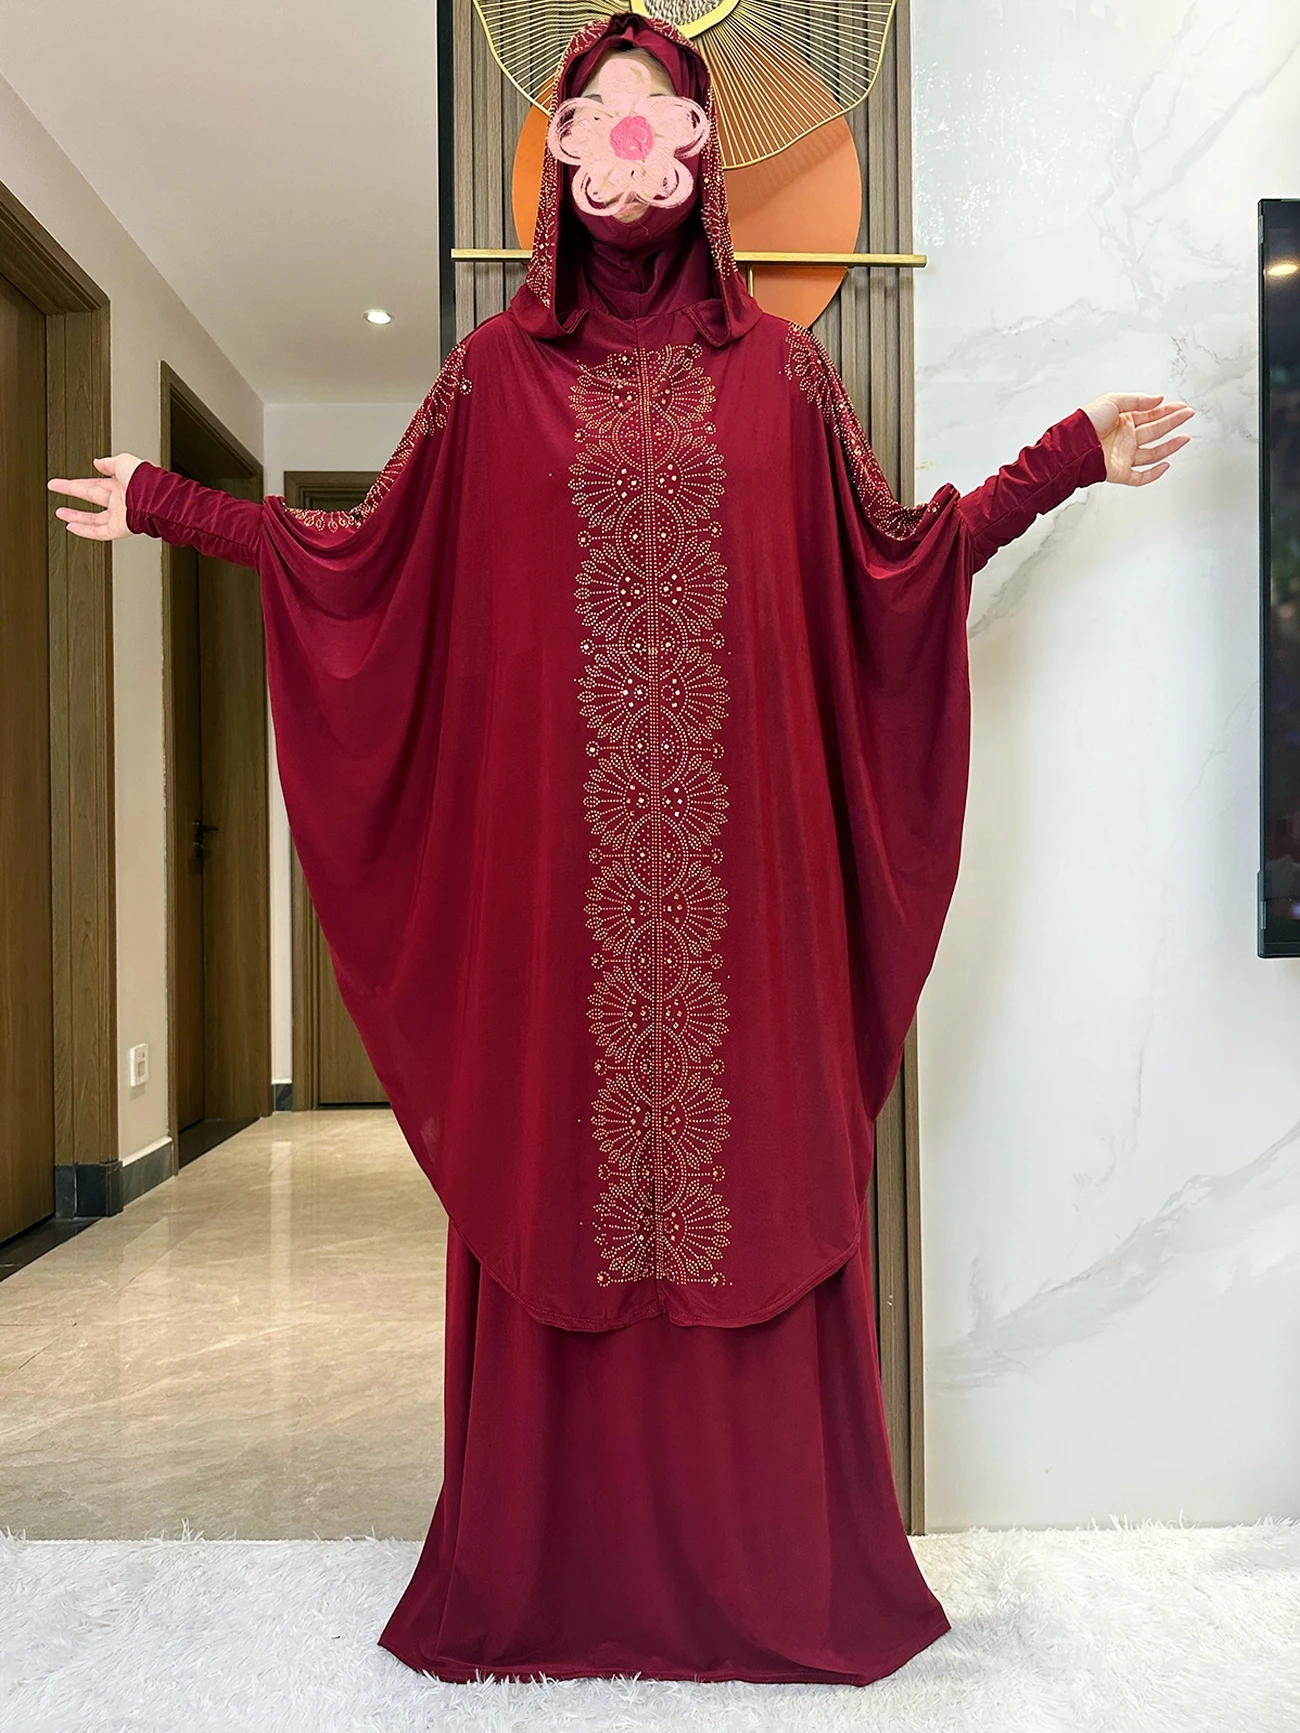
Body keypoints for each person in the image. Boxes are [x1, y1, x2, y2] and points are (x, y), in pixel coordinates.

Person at [47, 12, 1192, 1688]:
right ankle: (544, 1583)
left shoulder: (784, 377)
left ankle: (772, 1578)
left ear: (706, 153)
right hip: (560, 912)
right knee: (562, 1179)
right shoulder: (490, 381)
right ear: (561, 153)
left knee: (752, 1182)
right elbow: (361, 556)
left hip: (746, 908)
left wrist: (1062, 461)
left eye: (662, 104)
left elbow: (897, 562)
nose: (632, 130)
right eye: (599, 104)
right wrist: (176, 505)